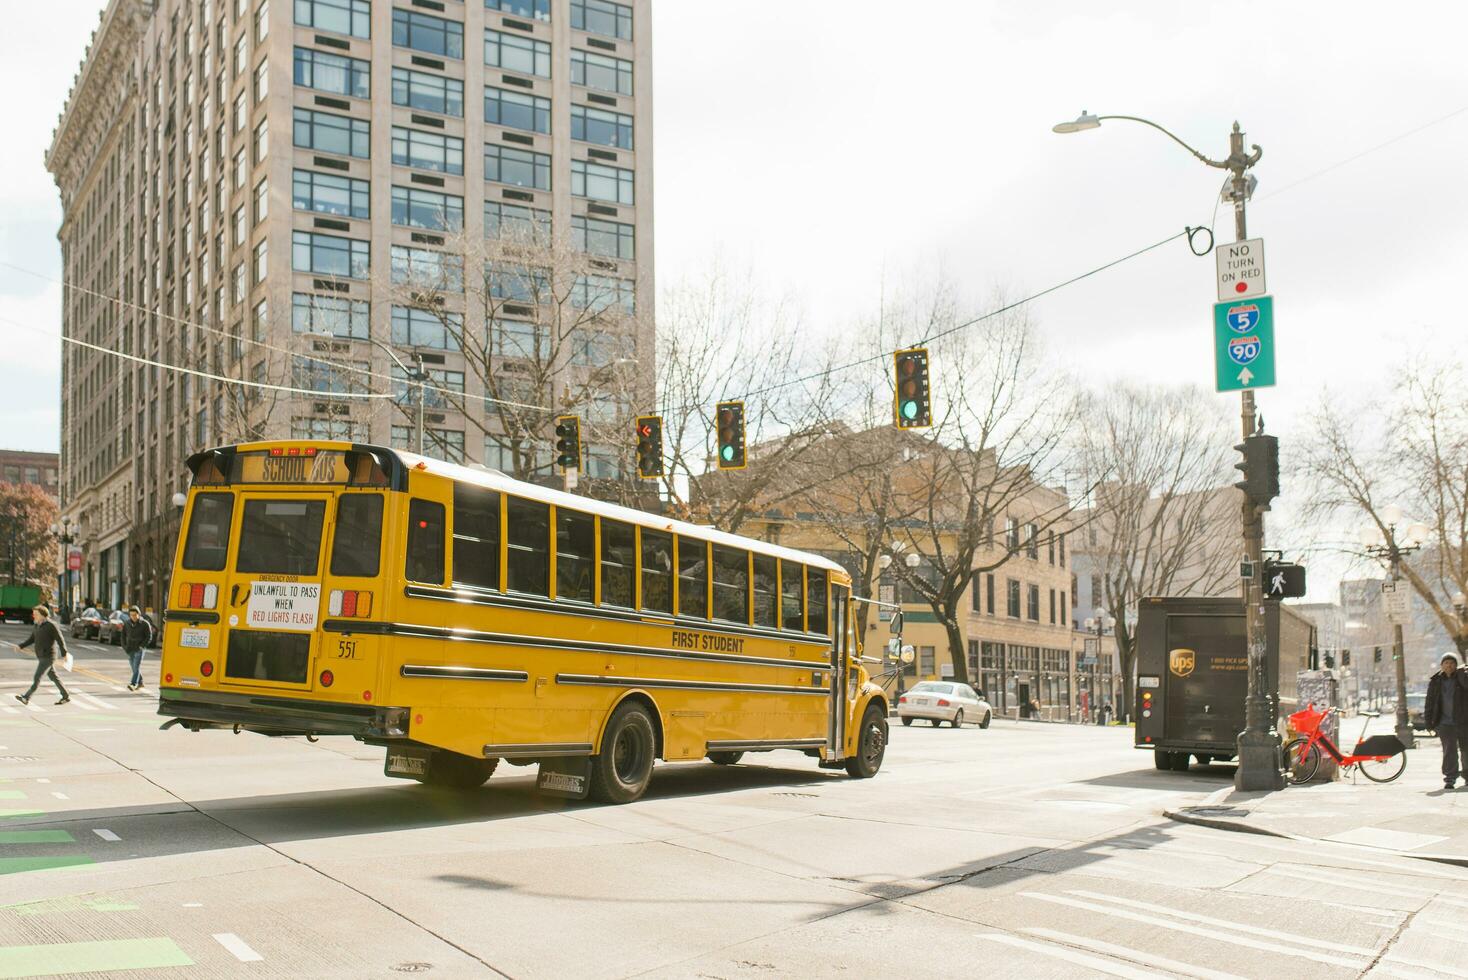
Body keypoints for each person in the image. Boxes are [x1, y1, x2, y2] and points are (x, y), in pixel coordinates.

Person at [1425, 651, 1468, 790]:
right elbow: (1430, 702)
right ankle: (1450, 778)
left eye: (1452, 663)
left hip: (1463, 721)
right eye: (1446, 663)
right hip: (1444, 723)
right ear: (1441, 665)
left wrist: (1463, 674)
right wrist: (1429, 722)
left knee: (1466, 751)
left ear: (1456, 665)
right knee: (1449, 751)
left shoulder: (1462, 678)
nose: (1449, 666)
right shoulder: (1435, 682)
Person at [15, 605, 70, 706]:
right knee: (53, 677)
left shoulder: (51, 625)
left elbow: (60, 639)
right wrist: (21, 646)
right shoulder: (37, 625)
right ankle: (65, 696)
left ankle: (26, 697)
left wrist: (64, 654)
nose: (34, 616)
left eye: (36, 614)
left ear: (43, 615)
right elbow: (32, 639)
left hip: (49, 656)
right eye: (34, 614)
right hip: (41, 655)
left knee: (37, 677)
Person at [120, 605, 154, 691]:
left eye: (135, 615)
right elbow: (122, 636)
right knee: (134, 667)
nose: (133, 617)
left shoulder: (144, 624)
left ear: (138, 614)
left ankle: (133, 683)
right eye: (131, 615)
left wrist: (142, 646)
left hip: (139, 649)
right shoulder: (127, 623)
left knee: (136, 666)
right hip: (130, 648)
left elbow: (149, 636)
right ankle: (141, 682)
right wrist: (124, 646)